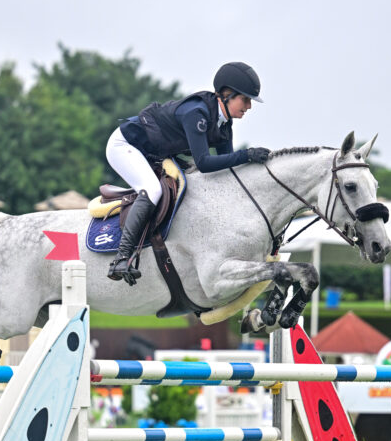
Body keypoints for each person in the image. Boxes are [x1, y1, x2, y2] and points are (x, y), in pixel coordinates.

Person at [105, 61, 271, 285]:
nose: (249, 106)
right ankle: (121, 257)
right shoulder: (197, 112)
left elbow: (227, 170)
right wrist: (247, 155)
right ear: (226, 94)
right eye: (245, 99)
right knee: (152, 190)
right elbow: (203, 163)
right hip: (125, 145)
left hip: (153, 153)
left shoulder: (224, 125)